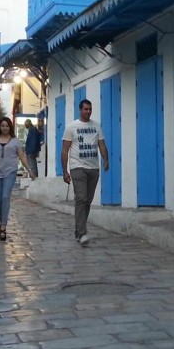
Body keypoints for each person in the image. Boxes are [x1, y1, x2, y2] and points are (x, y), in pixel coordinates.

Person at [61, 99, 109, 246]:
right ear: (80, 110)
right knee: (81, 198)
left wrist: (106, 159)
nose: (88, 111)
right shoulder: (72, 127)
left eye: (90, 109)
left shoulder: (96, 126)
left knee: (87, 201)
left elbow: (101, 144)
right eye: (85, 109)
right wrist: (65, 171)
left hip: (93, 168)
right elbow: (64, 150)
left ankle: (78, 230)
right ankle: (82, 233)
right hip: (78, 167)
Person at [0, 117, 29, 241]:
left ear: (10, 127)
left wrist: (29, 169)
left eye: (7, 126)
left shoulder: (15, 141)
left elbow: (21, 156)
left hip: (10, 171)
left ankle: (3, 226)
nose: (5, 128)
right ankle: (2, 221)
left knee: (5, 197)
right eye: (2, 126)